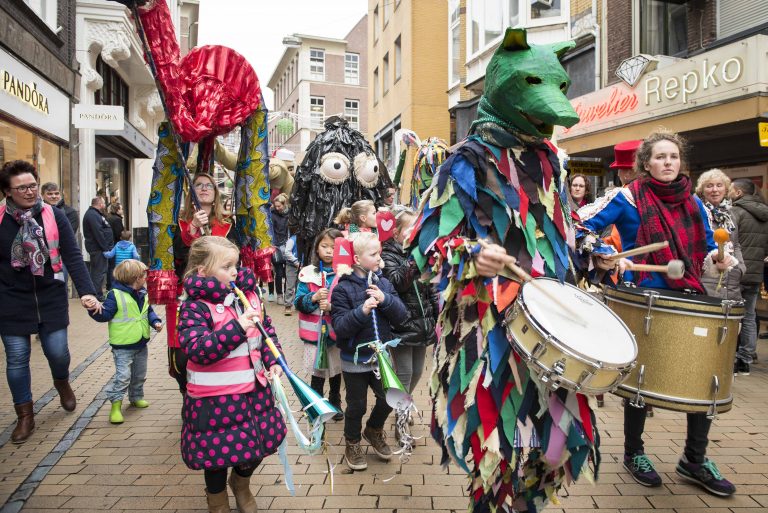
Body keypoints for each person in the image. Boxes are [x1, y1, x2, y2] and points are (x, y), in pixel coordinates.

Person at [580, 131, 737, 496]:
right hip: (643, 297)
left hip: (687, 295)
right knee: (641, 382)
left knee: (703, 375)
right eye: (660, 157)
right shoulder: (627, 197)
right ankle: (634, 453)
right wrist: (602, 249)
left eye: (674, 157)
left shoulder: (694, 203)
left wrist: (719, 258)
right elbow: (579, 223)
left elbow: (709, 249)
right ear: (645, 163)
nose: (668, 163)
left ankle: (694, 460)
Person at [177, 236, 285, 513]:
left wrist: (275, 360)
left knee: (255, 447)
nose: (235, 272)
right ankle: (216, 499)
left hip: (253, 391)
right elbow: (197, 349)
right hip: (214, 400)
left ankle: (241, 483)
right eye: (226, 267)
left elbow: (267, 333)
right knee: (216, 457)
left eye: (235, 265)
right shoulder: (194, 306)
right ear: (203, 271)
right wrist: (237, 326)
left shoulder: (248, 295)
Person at [0, 160, 100, 444]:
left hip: (50, 294)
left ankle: (61, 381)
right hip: (11, 298)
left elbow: (71, 255)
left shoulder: (54, 215)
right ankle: (25, 416)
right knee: (17, 358)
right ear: (8, 192)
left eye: (33, 185)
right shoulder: (0, 218)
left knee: (57, 352)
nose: (30, 192)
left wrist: (87, 291)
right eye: (22, 188)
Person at [330, 232, 408, 470]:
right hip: (354, 361)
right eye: (373, 254)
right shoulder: (342, 289)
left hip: (380, 358)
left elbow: (402, 316)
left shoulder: (383, 283)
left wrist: (385, 299)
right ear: (356, 258)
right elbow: (340, 327)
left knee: (392, 398)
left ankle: (373, 429)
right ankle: (352, 442)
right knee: (357, 406)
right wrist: (361, 311)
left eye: (379, 252)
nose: (379, 257)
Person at [168, 173, 235, 394]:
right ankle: (186, 393)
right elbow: (177, 256)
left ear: (216, 193)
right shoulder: (179, 223)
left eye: (209, 185)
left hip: (220, 296)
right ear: (191, 192)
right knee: (181, 358)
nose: (204, 189)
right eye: (198, 185)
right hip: (186, 294)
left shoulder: (227, 225)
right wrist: (193, 228)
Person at [88, 259, 163, 424]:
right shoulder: (114, 295)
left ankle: (136, 397)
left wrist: (155, 321)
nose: (146, 277)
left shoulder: (143, 294)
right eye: (144, 275)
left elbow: (148, 311)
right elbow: (105, 315)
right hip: (122, 346)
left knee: (139, 374)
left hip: (141, 343)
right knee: (123, 377)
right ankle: (116, 406)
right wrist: (93, 309)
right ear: (136, 278)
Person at [380, 208, 437, 421]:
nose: (415, 232)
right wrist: (414, 260)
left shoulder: (421, 253)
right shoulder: (388, 254)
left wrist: (435, 316)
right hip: (401, 324)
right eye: (410, 228)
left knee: (418, 372)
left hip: (422, 324)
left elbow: (429, 287)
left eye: (418, 228)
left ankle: (403, 401)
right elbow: (397, 283)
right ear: (396, 232)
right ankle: (401, 419)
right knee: (404, 373)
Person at [294, 228, 344, 420]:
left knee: (335, 369)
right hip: (315, 336)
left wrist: (333, 306)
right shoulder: (307, 274)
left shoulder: (344, 274)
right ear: (316, 248)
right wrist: (313, 297)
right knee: (317, 371)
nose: (329, 251)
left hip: (335, 334)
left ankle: (335, 399)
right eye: (324, 246)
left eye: (334, 247)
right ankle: (316, 402)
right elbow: (298, 302)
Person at [728, 179, 768, 375]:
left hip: (736, 271)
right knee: (750, 316)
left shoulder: (736, 212)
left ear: (739, 192)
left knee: (731, 314)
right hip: (756, 272)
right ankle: (746, 359)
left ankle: (728, 356)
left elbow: (730, 242)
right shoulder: (765, 213)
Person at [695, 169, 745, 303]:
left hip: (731, 279)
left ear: (726, 189)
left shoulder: (730, 214)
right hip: (707, 278)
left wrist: (740, 267)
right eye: (709, 185)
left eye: (719, 185)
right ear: (702, 190)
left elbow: (736, 244)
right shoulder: (698, 212)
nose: (714, 190)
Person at [83, 196, 114, 300]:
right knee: (98, 273)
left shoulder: (95, 214)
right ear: (100, 204)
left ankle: (97, 293)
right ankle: (97, 295)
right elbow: (98, 233)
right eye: (104, 203)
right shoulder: (92, 215)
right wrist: (105, 248)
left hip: (99, 248)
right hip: (98, 249)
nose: (105, 205)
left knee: (100, 272)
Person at [268, 194, 289, 304]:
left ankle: (287, 294)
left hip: (288, 245)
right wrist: (273, 244)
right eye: (275, 206)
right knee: (279, 272)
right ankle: (279, 294)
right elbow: (271, 230)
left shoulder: (290, 215)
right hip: (276, 245)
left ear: (284, 204)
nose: (277, 208)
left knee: (287, 272)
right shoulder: (272, 215)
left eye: (279, 206)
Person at [283, 234, 300, 315]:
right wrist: (296, 261)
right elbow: (287, 252)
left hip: (302, 266)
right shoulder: (292, 239)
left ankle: (298, 304)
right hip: (291, 265)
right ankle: (288, 305)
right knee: (290, 285)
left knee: (300, 286)